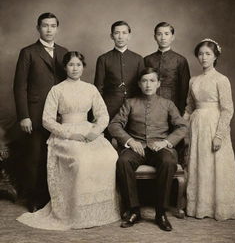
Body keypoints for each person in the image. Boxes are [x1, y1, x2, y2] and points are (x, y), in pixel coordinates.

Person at [17, 51, 119, 230]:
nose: (75, 68)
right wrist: (70, 135)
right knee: (81, 159)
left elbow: (103, 114)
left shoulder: (90, 89)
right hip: (65, 133)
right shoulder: (57, 90)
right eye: (71, 65)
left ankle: (99, 210)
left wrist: (95, 132)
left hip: (88, 130)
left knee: (109, 155)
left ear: (83, 67)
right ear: (65, 67)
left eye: (78, 65)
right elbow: (47, 119)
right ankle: (76, 212)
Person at [108, 67, 188, 231]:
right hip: (137, 147)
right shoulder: (130, 103)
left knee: (168, 161)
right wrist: (130, 141)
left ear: (158, 84)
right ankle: (134, 210)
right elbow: (114, 125)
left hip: (160, 147)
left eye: (152, 81)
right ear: (139, 84)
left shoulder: (167, 104)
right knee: (123, 161)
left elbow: (182, 127)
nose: (148, 85)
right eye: (144, 81)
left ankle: (161, 213)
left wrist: (166, 142)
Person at [13, 12, 68, 212]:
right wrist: (24, 116)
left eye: (53, 26)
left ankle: (54, 197)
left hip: (60, 114)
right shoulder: (28, 52)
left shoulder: (64, 52)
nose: (49, 29)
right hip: (35, 112)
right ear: (38, 28)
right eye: (45, 26)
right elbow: (20, 86)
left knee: (58, 155)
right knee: (36, 156)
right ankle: (34, 198)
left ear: (57, 28)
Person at [183, 39, 235, 220]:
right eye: (200, 54)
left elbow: (227, 109)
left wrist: (219, 135)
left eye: (208, 54)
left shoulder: (221, 80)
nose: (203, 57)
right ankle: (199, 206)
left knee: (215, 164)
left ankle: (218, 207)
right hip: (197, 125)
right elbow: (189, 108)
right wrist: (181, 128)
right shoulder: (194, 80)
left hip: (214, 124)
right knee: (199, 164)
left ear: (215, 56)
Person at [94, 21, 145, 126]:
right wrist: (99, 111)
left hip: (132, 108)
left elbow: (142, 87)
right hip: (109, 107)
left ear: (129, 36)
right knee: (107, 139)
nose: (120, 36)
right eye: (117, 33)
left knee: (128, 140)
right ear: (112, 36)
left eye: (124, 33)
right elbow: (98, 88)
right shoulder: (103, 59)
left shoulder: (138, 59)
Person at [144, 22, 190, 115]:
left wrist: (180, 111)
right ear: (154, 37)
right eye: (159, 34)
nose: (163, 37)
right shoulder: (147, 59)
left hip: (173, 105)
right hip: (150, 105)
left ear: (172, 37)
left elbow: (185, 89)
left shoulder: (180, 60)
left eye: (166, 34)